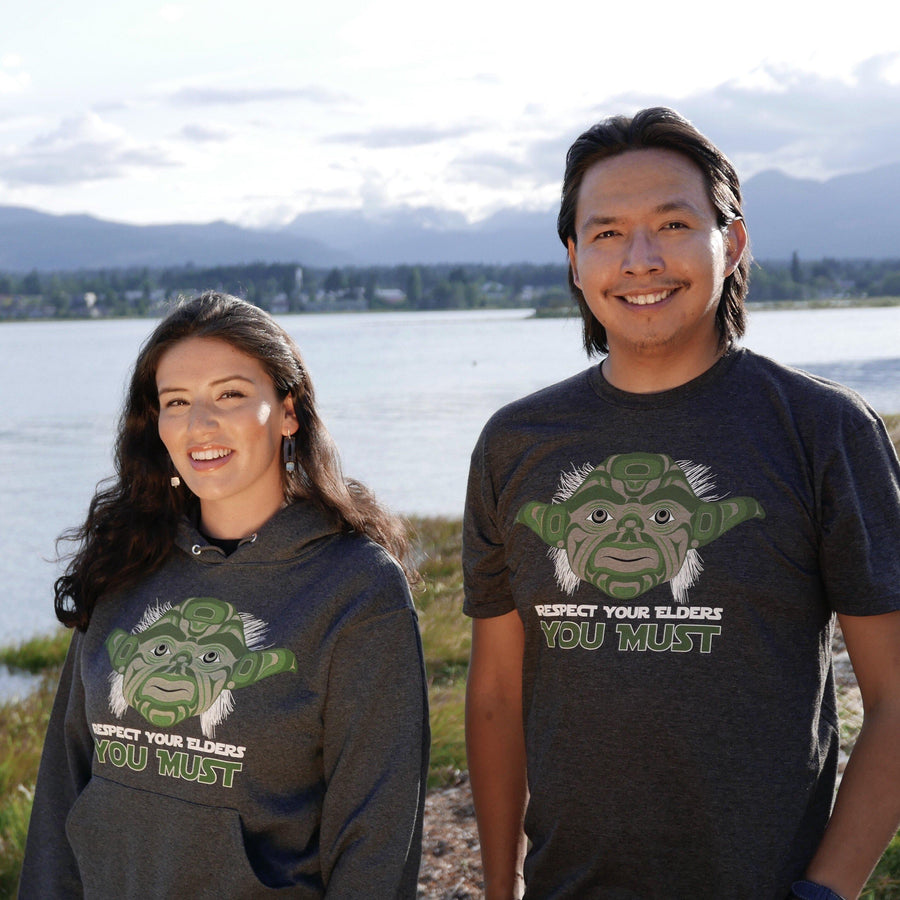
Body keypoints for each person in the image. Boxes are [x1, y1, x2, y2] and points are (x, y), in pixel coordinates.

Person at [463, 107, 900, 899]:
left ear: (730, 243)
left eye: (672, 223)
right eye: (606, 233)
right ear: (572, 258)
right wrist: (501, 888)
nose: (640, 259)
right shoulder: (514, 442)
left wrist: (825, 892)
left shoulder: (822, 430)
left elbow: (897, 695)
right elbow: (496, 692)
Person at [19, 292, 429, 898]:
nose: (199, 424)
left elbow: (378, 830)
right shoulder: (127, 561)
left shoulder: (356, 589)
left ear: (288, 411)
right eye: (176, 402)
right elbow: (63, 785)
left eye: (229, 394)